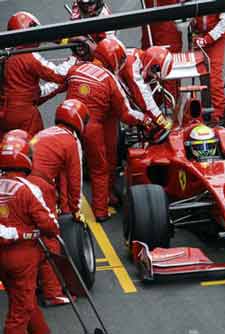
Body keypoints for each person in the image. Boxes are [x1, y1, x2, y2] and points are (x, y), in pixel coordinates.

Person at [65, 38, 152, 221]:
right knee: (99, 169)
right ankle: (101, 210)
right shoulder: (109, 79)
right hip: (92, 127)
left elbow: (55, 85)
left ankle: (65, 209)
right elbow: (126, 113)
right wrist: (145, 119)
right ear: (113, 58)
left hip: (68, 124)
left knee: (67, 169)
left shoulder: (75, 69)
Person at [30, 99, 89, 305]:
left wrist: (64, 206)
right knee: (49, 237)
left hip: (16, 183)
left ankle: (35, 282)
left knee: (27, 235)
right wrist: (75, 210)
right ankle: (53, 293)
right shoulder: (71, 142)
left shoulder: (45, 134)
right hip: (38, 185)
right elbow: (75, 180)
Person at [0, 135, 59, 333]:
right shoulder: (28, 188)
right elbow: (49, 225)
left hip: (3, 256)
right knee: (20, 312)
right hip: (23, 257)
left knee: (24, 300)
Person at [0, 11, 75, 138]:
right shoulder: (29, 56)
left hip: (4, 113)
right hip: (25, 115)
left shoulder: (6, 53)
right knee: (33, 148)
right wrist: (73, 59)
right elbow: (59, 74)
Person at [191, 11, 225, 123]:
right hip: (199, 36)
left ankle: (219, 115)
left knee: (214, 77)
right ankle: (206, 113)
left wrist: (206, 39)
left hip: (216, 39)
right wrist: (193, 31)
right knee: (203, 76)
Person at [119, 46, 174, 133]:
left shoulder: (140, 57)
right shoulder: (132, 65)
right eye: (153, 73)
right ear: (151, 62)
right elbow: (144, 99)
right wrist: (163, 122)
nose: (153, 77)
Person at [141, 0, 183, 102]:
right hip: (149, 26)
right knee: (147, 66)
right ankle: (153, 106)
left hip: (168, 26)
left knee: (168, 69)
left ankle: (170, 107)